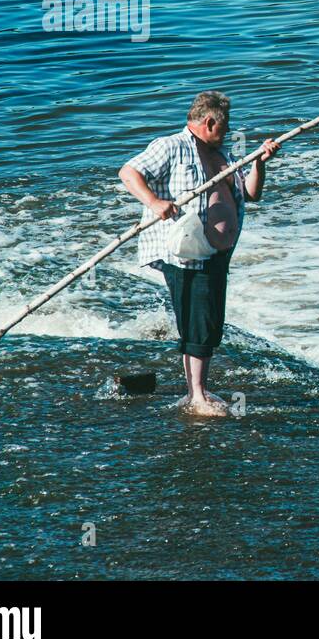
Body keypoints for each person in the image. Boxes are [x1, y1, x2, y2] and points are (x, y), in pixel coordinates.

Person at [118, 90, 279, 415]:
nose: (229, 131)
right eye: (225, 125)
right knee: (198, 320)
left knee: (209, 320)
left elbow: (251, 194)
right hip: (185, 251)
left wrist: (260, 163)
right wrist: (154, 202)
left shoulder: (223, 155)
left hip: (217, 254)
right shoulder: (171, 146)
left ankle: (198, 390)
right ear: (209, 122)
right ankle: (197, 395)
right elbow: (128, 172)